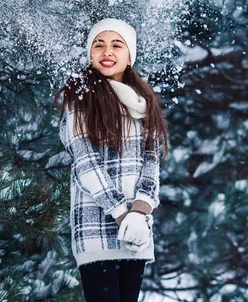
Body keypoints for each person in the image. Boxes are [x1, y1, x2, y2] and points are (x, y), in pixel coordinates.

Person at [54, 18, 168, 302]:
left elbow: (151, 163)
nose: (107, 52)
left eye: (117, 45)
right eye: (99, 45)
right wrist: (121, 214)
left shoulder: (145, 103)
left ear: (130, 56)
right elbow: (85, 162)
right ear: (90, 54)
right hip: (96, 225)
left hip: (137, 230)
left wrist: (140, 212)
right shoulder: (80, 98)